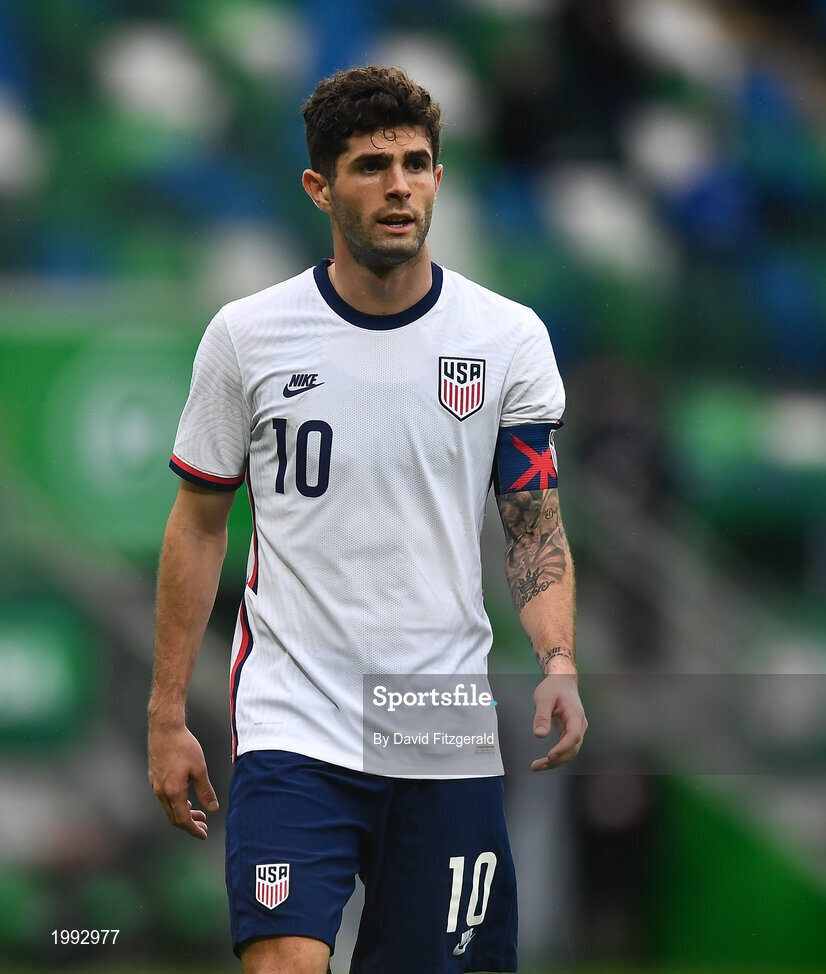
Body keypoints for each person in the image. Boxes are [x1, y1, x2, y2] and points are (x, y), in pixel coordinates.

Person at [148, 65, 587, 974]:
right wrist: (165, 712)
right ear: (320, 186)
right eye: (371, 165)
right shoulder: (247, 336)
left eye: (417, 163)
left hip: (440, 720)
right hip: (293, 717)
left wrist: (559, 660)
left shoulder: (506, 338)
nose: (398, 185)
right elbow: (197, 524)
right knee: (284, 963)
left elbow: (532, 520)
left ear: (439, 177)